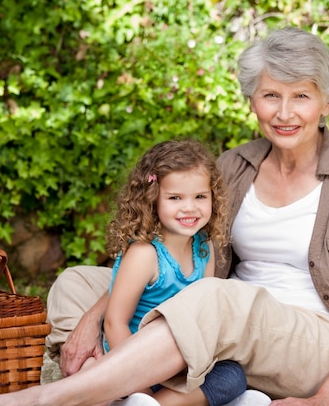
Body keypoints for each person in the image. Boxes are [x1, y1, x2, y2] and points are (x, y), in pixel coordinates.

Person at [0, 26, 329, 406]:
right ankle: (139, 391)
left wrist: (325, 399)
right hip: (219, 326)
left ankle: (50, 398)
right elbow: (169, 251)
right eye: (271, 95)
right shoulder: (236, 165)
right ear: (253, 100)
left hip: (318, 346)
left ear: (326, 103)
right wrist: (99, 313)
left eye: (301, 97)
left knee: (220, 297)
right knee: (78, 283)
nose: (285, 112)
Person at [101, 139, 247, 406]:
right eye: (175, 198)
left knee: (234, 375)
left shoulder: (204, 248)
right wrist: (139, 385)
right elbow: (114, 323)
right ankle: (143, 401)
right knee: (112, 382)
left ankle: (157, 404)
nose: (189, 208)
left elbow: (205, 314)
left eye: (200, 196)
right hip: (133, 361)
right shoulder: (145, 254)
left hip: (179, 362)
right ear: (152, 199)